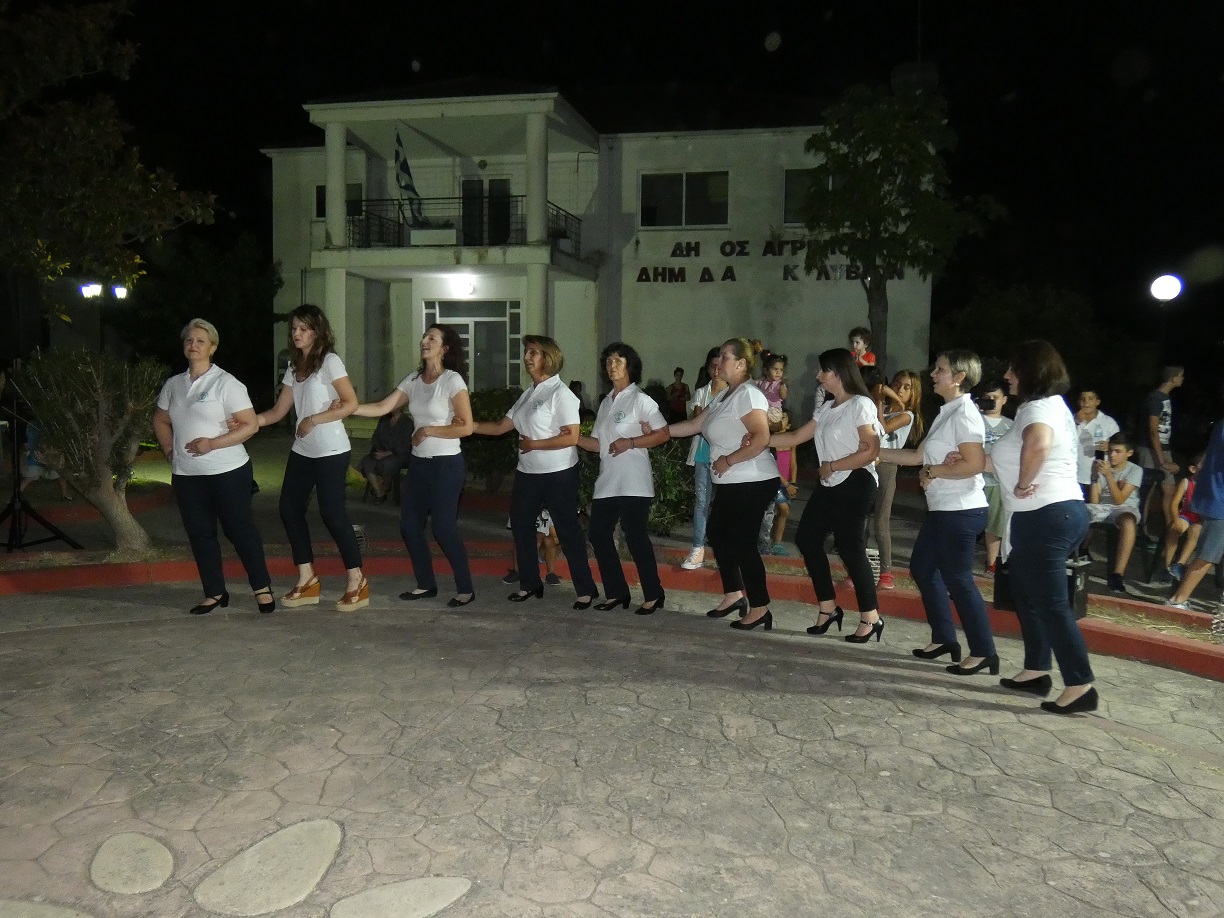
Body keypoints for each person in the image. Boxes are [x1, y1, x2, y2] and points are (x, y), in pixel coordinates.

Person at [989, 339, 1096, 714]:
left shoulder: (1037, 409)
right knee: (1025, 593)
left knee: (1050, 604)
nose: (1007, 375)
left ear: (1031, 372)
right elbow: (1019, 452)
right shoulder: (1049, 406)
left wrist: (1022, 484)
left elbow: (1038, 445)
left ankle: (1080, 684)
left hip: (1045, 514)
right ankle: (1036, 669)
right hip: (1057, 512)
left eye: (1013, 368)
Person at [881, 350, 997, 675]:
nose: (932, 374)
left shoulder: (965, 414)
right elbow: (918, 456)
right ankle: (945, 638)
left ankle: (984, 651)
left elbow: (975, 463)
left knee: (958, 579)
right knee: (922, 568)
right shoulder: (948, 412)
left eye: (940, 369)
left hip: (961, 509)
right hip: (943, 509)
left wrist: (934, 472)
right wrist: (875, 452)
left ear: (959, 377)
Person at [153, 319, 274, 615]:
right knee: (200, 533)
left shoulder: (226, 383)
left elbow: (250, 426)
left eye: (200, 341)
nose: (193, 345)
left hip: (228, 471)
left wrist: (213, 444)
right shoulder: (174, 384)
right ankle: (215, 592)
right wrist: (169, 450)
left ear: (212, 348)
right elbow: (160, 419)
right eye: (189, 340)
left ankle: (262, 588)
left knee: (239, 529)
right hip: (187, 475)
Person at [350, 324, 475, 607]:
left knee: (443, 529)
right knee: (408, 526)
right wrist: (349, 407)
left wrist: (428, 430)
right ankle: (426, 584)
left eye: (432, 338)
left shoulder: (452, 380)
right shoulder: (414, 379)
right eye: (424, 337)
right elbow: (383, 407)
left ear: (445, 348)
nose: (424, 341)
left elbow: (466, 427)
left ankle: (465, 588)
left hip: (446, 465)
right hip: (419, 465)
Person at [254, 304, 368, 612]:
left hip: (331, 449)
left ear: (317, 332)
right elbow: (278, 411)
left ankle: (357, 580)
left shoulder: (330, 361)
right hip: (303, 450)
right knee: (289, 509)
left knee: (332, 514)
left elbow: (350, 403)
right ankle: (307, 578)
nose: (297, 333)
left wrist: (313, 419)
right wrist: (249, 422)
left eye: (303, 328)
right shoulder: (294, 365)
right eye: (294, 328)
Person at [472, 335, 598, 608]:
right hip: (528, 472)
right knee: (521, 525)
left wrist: (534, 444)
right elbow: (500, 427)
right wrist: (469, 426)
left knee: (566, 529)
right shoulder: (528, 394)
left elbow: (571, 436)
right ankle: (530, 584)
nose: (527, 357)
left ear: (548, 358)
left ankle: (586, 589)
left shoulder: (561, 394)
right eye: (527, 352)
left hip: (558, 472)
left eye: (533, 352)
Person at [769, 348, 882, 642]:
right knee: (807, 538)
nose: (818, 376)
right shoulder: (828, 407)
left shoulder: (861, 404)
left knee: (849, 547)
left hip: (856, 480)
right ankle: (828, 607)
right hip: (831, 481)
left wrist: (832, 466)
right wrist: (759, 439)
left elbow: (870, 450)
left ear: (840, 373)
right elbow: (796, 437)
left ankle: (871, 617)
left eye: (824, 371)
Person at [667, 338, 779, 631]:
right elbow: (693, 425)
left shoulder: (748, 395)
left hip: (752, 479)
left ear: (741, 364)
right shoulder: (724, 396)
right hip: (732, 482)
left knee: (743, 543)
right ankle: (734, 594)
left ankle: (760, 608)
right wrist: (658, 432)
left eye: (725, 356)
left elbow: (762, 437)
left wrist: (728, 460)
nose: (719, 361)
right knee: (718, 532)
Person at [576, 342, 670, 614]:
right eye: (608, 361)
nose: (612, 365)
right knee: (598, 534)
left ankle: (654, 593)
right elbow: (598, 444)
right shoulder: (606, 402)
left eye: (618, 360)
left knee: (636, 536)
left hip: (634, 481)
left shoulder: (641, 400)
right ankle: (617, 593)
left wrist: (631, 442)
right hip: (608, 480)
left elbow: (663, 434)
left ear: (630, 366)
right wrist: (571, 438)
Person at [870, 369, 923, 589]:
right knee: (861, 519)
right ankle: (857, 569)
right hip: (867, 463)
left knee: (881, 520)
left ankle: (886, 573)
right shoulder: (881, 407)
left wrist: (881, 400)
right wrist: (881, 398)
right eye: (897, 384)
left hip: (887, 465)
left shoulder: (907, 415)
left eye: (906, 387)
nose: (900, 390)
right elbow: (877, 389)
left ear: (914, 393)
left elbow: (883, 428)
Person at [1166, 420, 1224, 610]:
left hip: (1214, 497)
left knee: (1209, 554)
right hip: (1219, 500)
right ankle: (1177, 600)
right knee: (1207, 556)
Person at [681, 347, 725, 570]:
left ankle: (723, 548)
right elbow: (697, 422)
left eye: (720, 366)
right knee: (701, 502)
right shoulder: (701, 393)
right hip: (702, 455)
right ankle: (698, 547)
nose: (716, 371)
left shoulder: (734, 393)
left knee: (724, 504)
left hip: (726, 458)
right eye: (712, 367)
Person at [1087, 431, 1143, 594]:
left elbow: (1119, 500)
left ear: (1129, 453)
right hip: (1103, 507)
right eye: (1110, 450)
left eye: (1118, 451)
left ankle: (1117, 574)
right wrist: (1094, 478)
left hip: (1125, 507)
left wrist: (1109, 476)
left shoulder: (1135, 470)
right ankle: (1073, 557)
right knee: (1077, 513)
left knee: (1128, 521)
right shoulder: (1102, 467)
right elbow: (1094, 502)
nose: (1112, 455)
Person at [1136, 366, 1184, 537]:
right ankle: (1141, 532)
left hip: (1163, 447)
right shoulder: (1156, 398)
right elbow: (1153, 430)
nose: (1182, 379)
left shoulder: (1165, 398)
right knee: (1147, 491)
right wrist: (1163, 460)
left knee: (1170, 491)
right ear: (1173, 378)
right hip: (1150, 448)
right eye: (1181, 376)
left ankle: (1171, 531)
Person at [978, 381, 1012, 573]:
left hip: (998, 482)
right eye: (987, 398)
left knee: (994, 526)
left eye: (995, 398)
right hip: (974, 480)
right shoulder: (974, 420)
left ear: (1004, 400)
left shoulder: (1011, 425)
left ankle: (991, 564)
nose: (991, 401)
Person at [354, 405, 414, 501]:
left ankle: (386, 485)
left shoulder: (407, 423)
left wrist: (388, 453)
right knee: (367, 461)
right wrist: (378, 450)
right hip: (381, 451)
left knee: (387, 464)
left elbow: (406, 444)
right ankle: (379, 492)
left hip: (399, 454)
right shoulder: (384, 420)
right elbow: (375, 437)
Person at [1162, 453, 1203, 582]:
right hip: (1186, 515)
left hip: (1201, 520)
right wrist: (1175, 520)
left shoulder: (1211, 485)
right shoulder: (1186, 482)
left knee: (1196, 531)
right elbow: (1174, 504)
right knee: (1174, 529)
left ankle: (1179, 564)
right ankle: (1167, 565)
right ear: (1193, 469)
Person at [1074, 388, 1120, 498]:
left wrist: (1109, 446)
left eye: (1090, 399)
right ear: (1078, 402)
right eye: (1083, 399)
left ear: (1097, 402)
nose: (1086, 402)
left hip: (1099, 479)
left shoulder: (1108, 422)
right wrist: (1076, 422)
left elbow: (1120, 447)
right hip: (1073, 477)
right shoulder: (1070, 419)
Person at [502, 510, 562, 585]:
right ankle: (516, 572)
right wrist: (532, 536)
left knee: (549, 540)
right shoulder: (519, 510)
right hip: (527, 548)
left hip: (542, 551)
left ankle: (551, 574)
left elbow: (557, 537)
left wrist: (543, 537)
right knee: (519, 539)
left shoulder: (547, 513)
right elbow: (517, 533)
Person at [20, 423, 72, 500]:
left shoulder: (42, 429)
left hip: (48, 462)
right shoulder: (33, 428)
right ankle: (16, 496)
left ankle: (65, 495)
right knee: (30, 477)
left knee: (61, 475)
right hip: (37, 460)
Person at [756, 353, 789, 431]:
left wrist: (782, 387)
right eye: (775, 369)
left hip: (774, 409)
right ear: (766, 370)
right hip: (764, 407)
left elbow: (784, 396)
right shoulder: (762, 381)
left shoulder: (779, 384)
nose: (778, 372)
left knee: (770, 415)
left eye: (781, 370)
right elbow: (752, 383)